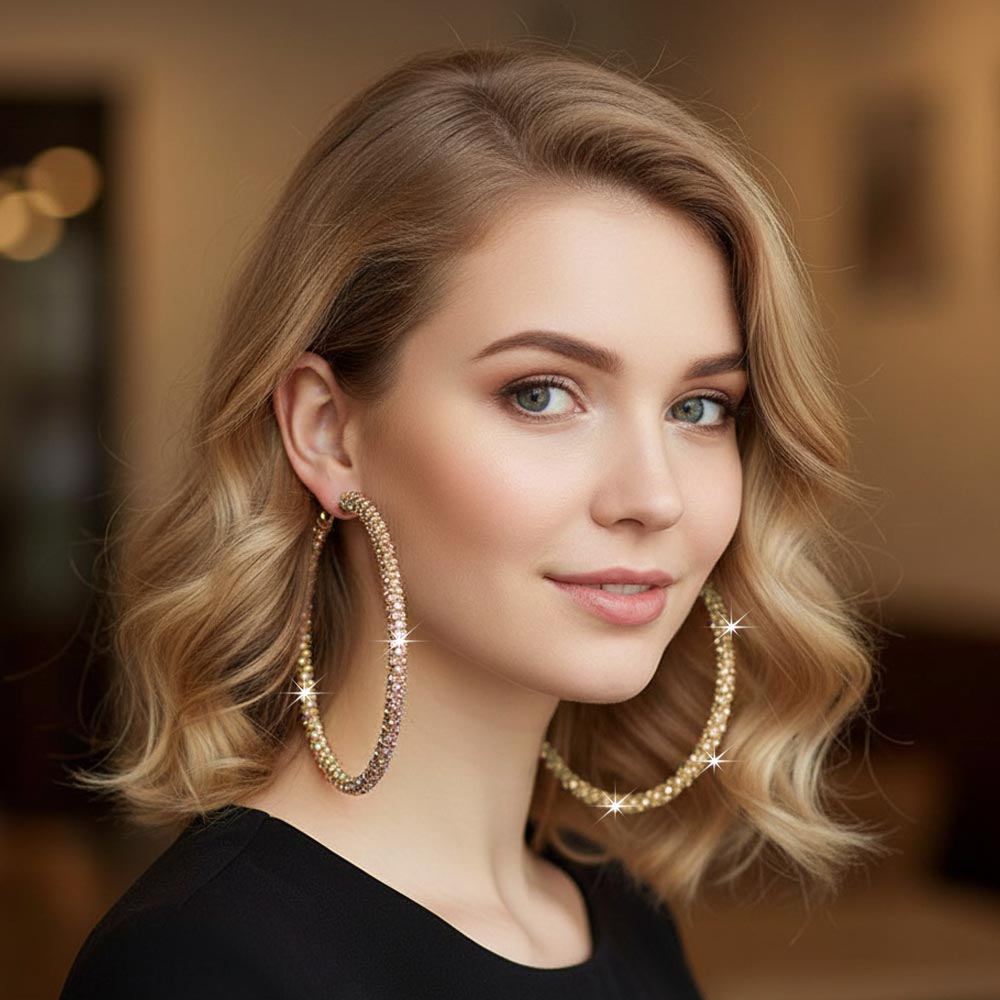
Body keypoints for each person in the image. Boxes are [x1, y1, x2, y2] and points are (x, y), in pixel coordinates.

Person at [58, 39, 884, 999]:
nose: (654, 496)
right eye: (542, 394)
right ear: (329, 433)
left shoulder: (621, 914)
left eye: (701, 408)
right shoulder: (201, 965)